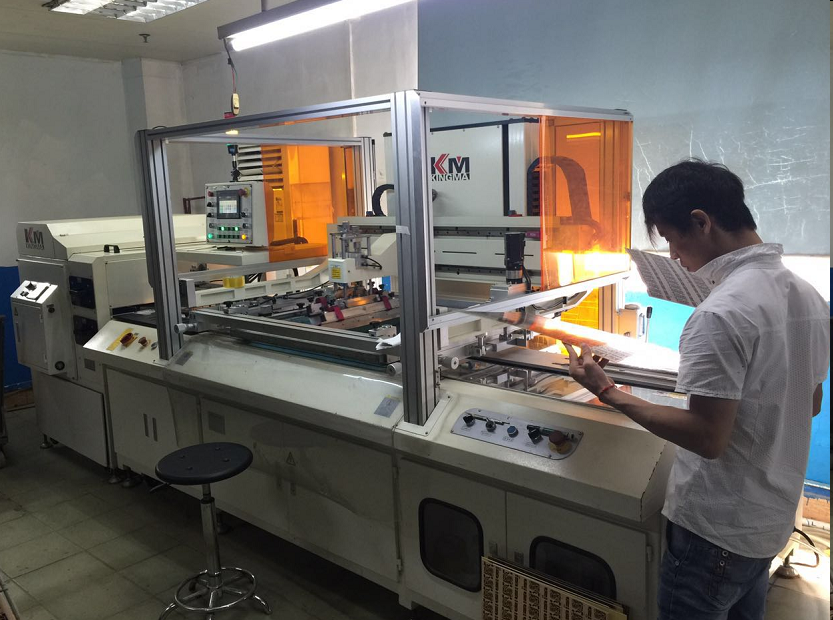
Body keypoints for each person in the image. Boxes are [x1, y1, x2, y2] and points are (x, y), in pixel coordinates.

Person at [566, 159, 829, 620]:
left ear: (701, 222)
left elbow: (708, 438)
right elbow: (809, 403)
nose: (672, 256)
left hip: (713, 532)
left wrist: (606, 389)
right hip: (769, 522)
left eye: (671, 239)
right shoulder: (810, 298)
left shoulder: (720, 313)